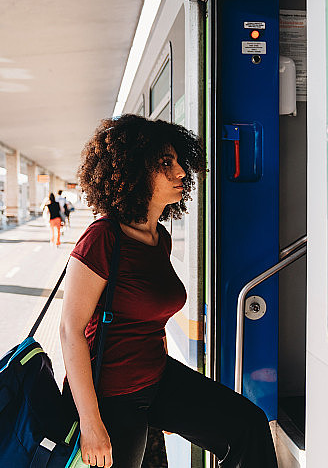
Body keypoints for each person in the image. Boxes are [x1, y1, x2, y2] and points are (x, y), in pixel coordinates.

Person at [59, 115, 278, 468]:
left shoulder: (159, 238)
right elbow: (71, 330)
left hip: (156, 379)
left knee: (246, 426)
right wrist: (91, 423)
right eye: (165, 164)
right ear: (133, 172)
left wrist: (174, 409)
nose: (180, 173)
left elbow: (154, 319)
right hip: (111, 396)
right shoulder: (102, 239)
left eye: (178, 162)